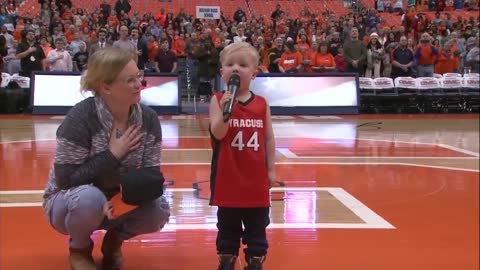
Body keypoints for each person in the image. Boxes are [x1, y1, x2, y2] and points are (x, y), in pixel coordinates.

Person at [41, 47, 170, 270]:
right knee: (88, 199)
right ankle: (79, 250)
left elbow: (151, 177)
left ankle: (113, 242)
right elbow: (65, 181)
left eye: (138, 76)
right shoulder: (81, 117)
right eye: (130, 80)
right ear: (106, 87)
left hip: (118, 199)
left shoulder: (148, 119)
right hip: (68, 201)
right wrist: (112, 155)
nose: (139, 84)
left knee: (159, 210)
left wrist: (120, 200)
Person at [208, 42, 276, 270]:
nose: (235, 69)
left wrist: (271, 170)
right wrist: (227, 112)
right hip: (228, 176)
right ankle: (226, 258)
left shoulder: (262, 104)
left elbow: (268, 138)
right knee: (227, 223)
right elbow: (218, 133)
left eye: (243, 65)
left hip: (255, 178)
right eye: (230, 64)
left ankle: (256, 259)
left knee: (258, 223)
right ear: (222, 72)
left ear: (254, 73)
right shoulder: (218, 100)